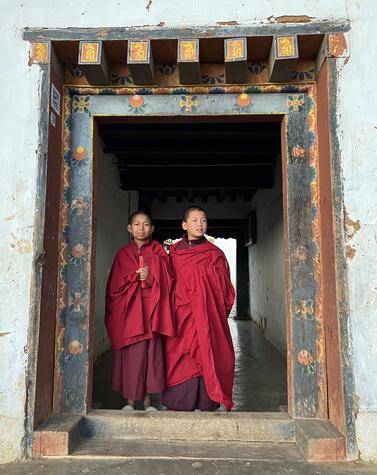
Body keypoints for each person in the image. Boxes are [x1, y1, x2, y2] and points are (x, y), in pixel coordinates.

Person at [162, 206, 235, 412]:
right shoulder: (174, 252)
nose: (199, 224)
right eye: (194, 221)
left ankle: (206, 399)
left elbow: (226, 288)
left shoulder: (214, 254)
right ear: (184, 225)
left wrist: (206, 298)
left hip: (206, 315)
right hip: (181, 314)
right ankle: (180, 400)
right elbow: (167, 280)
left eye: (203, 220)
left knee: (207, 352)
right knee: (179, 355)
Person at [105, 211, 175, 411]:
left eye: (146, 225)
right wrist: (133, 277)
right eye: (137, 224)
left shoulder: (159, 251)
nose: (141, 228)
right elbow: (114, 286)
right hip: (130, 313)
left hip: (151, 312)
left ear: (152, 229)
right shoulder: (123, 254)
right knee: (132, 358)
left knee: (150, 358)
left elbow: (169, 280)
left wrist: (151, 277)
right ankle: (129, 402)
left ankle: (147, 402)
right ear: (129, 228)